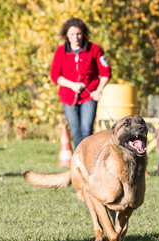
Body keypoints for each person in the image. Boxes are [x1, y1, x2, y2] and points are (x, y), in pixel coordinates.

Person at [50, 18, 112, 149]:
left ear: (83, 33)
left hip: (89, 96)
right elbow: (55, 76)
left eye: (78, 34)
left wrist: (99, 90)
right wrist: (72, 85)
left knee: (86, 132)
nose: (75, 37)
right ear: (66, 35)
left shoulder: (94, 49)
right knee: (76, 133)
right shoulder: (61, 52)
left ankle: (88, 161)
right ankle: (78, 163)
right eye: (72, 34)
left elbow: (106, 72)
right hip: (68, 97)